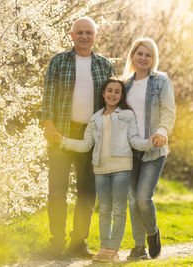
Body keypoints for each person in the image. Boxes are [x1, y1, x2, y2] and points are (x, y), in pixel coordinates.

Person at [39, 17, 115, 259]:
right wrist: (48, 125)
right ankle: (56, 242)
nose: (84, 36)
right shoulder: (59, 62)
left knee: (87, 191)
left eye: (89, 33)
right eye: (80, 32)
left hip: (90, 136)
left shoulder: (104, 66)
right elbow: (48, 96)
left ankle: (78, 242)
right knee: (57, 190)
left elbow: (112, 101)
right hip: (60, 133)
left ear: (95, 36)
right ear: (71, 35)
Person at [59, 78, 154, 262]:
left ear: (121, 95)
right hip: (100, 169)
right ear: (103, 93)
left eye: (117, 91)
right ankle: (104, 248)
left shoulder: (127, 115)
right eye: (109, 90)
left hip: (122, 169)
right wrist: (63, 141)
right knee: (104, 209)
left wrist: (151, 142)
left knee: (118, 209)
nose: (112, 94)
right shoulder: (94, 118)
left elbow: (134, 141)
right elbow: (86, 145)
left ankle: (113, 250)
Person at [122, 37, 176, 260]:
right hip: (130, 149)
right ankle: (138, 247)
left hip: (154, 148)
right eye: (139, 53)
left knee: (143, 197)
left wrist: (163, 131)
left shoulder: (161, 81)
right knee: (133, 199)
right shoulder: (125, 85)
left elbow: (169, 110)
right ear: (132, 56)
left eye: (148, 55)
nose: (143, 58)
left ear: (153, 59)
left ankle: (152, 233)